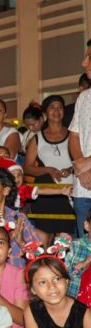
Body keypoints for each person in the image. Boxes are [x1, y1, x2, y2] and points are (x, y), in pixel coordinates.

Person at [23, 95, 75, 235]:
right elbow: (27, 167)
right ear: (45, 113)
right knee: (46, 237)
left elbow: (80, 160)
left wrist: (70, 169)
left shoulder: (74, 135)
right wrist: (47, 170)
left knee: (67, 236)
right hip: (46, 194)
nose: (56, 110)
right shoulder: (37, 138)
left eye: (59, 107)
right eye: (52, 107)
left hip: (70, 192)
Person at [71, 40, 91, 237]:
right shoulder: (84, 98)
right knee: (84, 251)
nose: (84, 63)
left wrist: (87, 163)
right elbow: (74, 136)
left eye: (89, 57)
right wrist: (81, 166)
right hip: (83, 189)